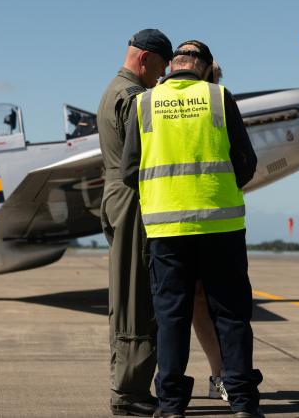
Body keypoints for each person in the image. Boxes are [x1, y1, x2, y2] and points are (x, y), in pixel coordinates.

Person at [121, 40, 263, 417]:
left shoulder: (144, 102)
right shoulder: (219, 97)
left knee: (172, 318)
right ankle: (244, 402)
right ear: (204, 67)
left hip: (166, 230)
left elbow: (129, 171)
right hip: (222, 227)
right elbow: (246, 161)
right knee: (231, 315)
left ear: (171, 67)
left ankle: (170, 406)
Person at [98, 29, 171, 416]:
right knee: (135, 297)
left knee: (132, 294)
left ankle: (130, 387)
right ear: (144, 60)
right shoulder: (134, 98)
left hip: (117, 197)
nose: (160, 78)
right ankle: (129, 393)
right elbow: (139, 159)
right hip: (132, 199)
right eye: (159, 68)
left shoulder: (114, 89)